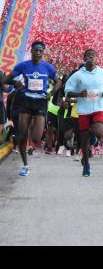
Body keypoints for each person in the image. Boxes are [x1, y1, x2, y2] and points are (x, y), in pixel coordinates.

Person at [1, 41, 61, 176]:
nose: (38, 53)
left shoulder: (48, 67)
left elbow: (58, 82)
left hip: (40, 103)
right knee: (22, 135)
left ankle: (31, 147)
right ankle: (25, 165)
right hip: (26, 101)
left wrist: (51, 93)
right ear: (32, 50)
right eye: (35, 50)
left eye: (40, 51)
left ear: (43, 52)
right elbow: (5, 80)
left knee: (36, 138)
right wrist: (15, 82)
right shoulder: (23, 65)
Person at [64, 49, 103, 177]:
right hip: (84, 111)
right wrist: (79, 94)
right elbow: (67, 91)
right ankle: (86, 164)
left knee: (98, 131)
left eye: (93, 56)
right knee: (84, 142)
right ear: (84, 58)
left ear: (96, 58)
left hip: (98, 108)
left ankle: (97, 129)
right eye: (88, 56)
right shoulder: (77, 75)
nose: (91, 58)